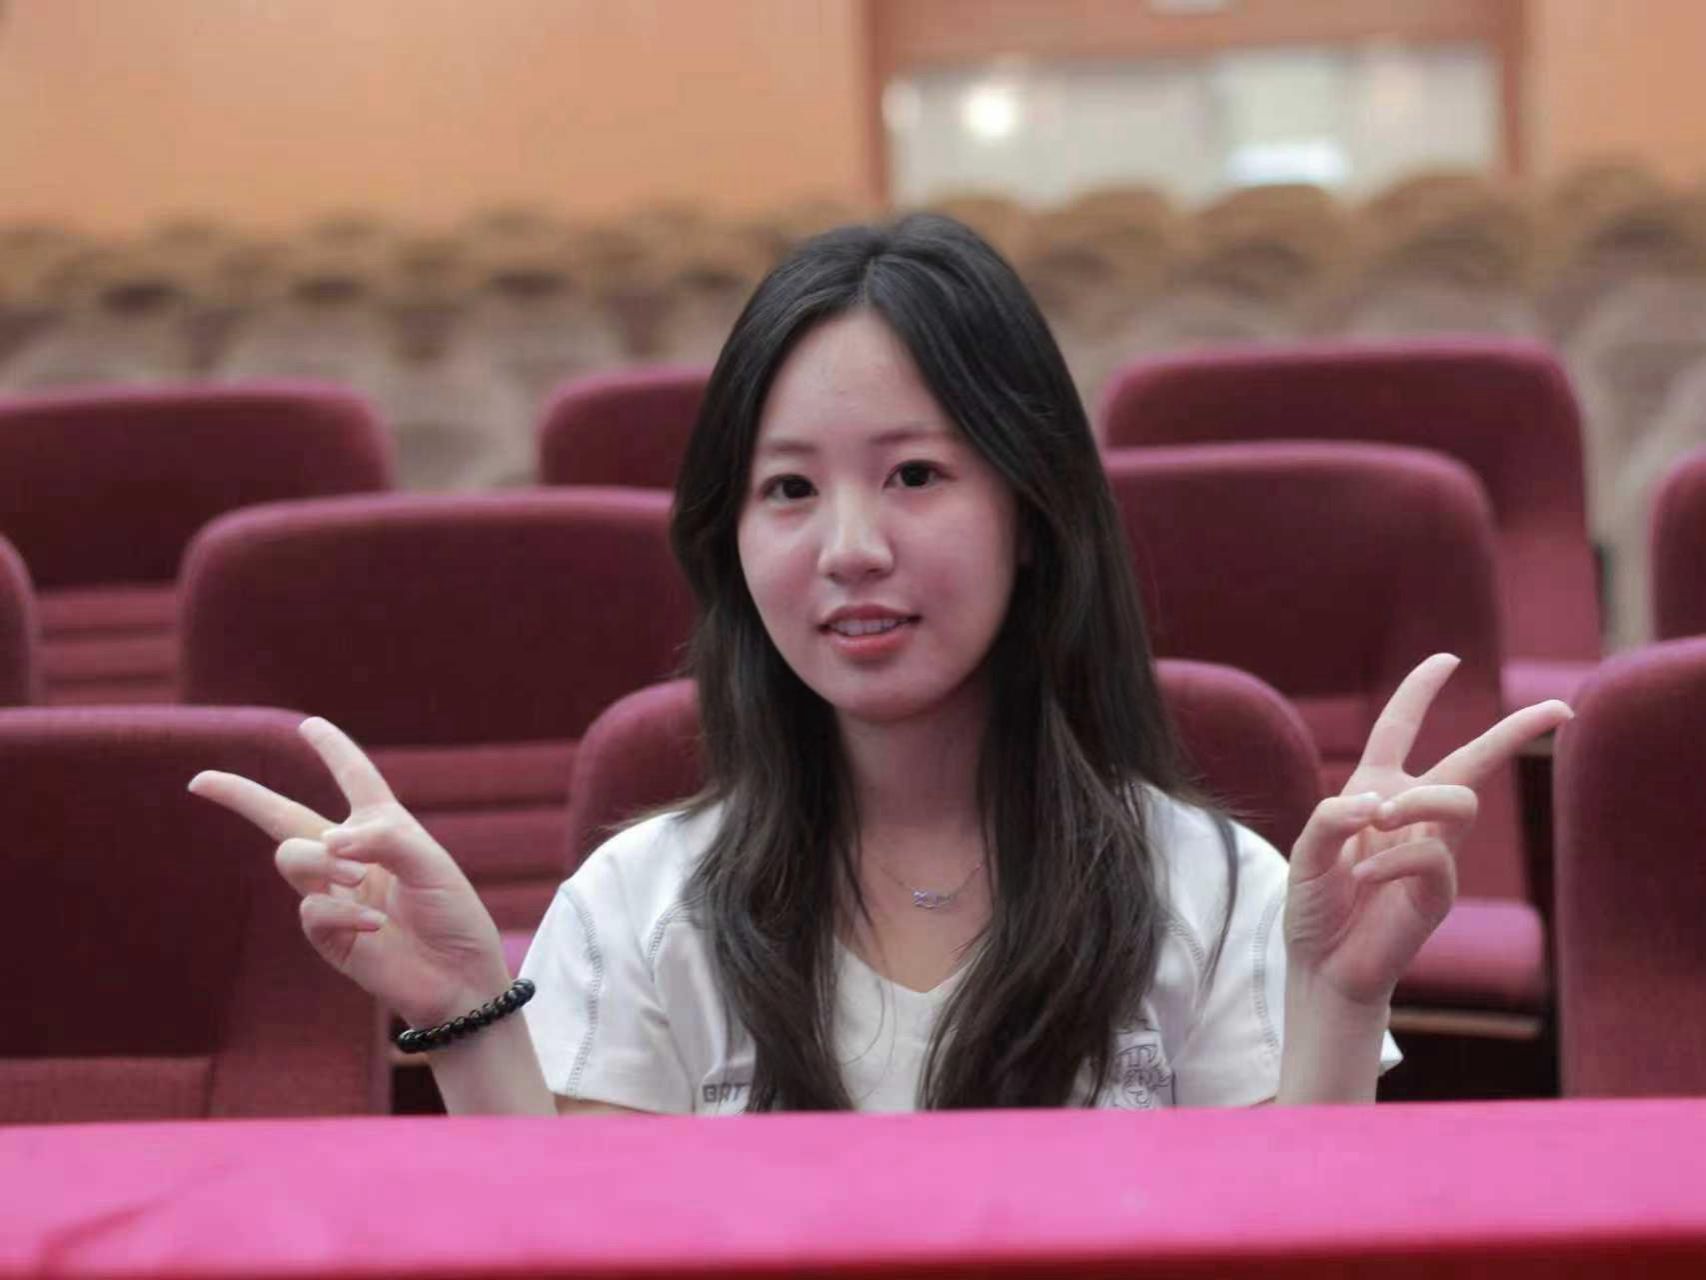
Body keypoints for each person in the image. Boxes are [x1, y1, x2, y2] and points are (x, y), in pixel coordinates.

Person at [189, 215, 1572, 1115]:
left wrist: (1337, 998)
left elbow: (1291, 1254)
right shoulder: (638, 903)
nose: (849, 549)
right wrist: (466, 1017)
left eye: (914, 475)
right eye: (787, 491)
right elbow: (583, 1250)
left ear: (1032, 511)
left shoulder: (1214, 893)